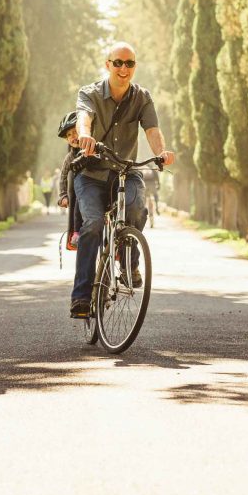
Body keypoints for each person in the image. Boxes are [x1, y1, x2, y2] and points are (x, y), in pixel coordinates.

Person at [68, 43, 175, 318]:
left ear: (134, 67)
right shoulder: (89, 93)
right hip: (90, 174)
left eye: (129, 63)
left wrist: (160, 153)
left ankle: (129, 264)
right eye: (118, 63)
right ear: (107, 65)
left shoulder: (142, 97)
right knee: (92, 223)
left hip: (125, 171)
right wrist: (85, 136)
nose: (124, 69)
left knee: (137, 208)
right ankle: (81, 296)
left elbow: (152, 130)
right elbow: (84, 118)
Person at [56, 110, 82, 250]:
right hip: (78, 194)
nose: (73, 137)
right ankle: (76, 233)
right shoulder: (69, 158)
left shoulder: (93, 149)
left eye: (75, 132)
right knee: (77, 201)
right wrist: (63, 195)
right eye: (69, 135)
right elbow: (63, 177)